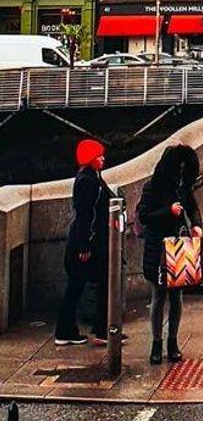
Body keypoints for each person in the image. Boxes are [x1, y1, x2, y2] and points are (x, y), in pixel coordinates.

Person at [137, 144, 202, 365]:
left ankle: (172, 342)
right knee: (158, 295)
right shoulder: (152, 188)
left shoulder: (182, 189)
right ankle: (157, 343)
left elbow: (193, 208)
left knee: (176, 296)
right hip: (158, 247)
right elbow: (144, 216)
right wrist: (168, 211)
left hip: (177, 246)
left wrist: (197, 225)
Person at [55, 138, 112, 346]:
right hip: (87, 245)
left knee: (77, 287)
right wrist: (84, 247)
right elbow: (84, 215)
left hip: (88, 242)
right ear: (90, 159)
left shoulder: (93, 178)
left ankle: (68, 331)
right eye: (99, 156)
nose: (103, 159)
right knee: (95, 284)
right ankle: (100, 329)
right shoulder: (87, 181)